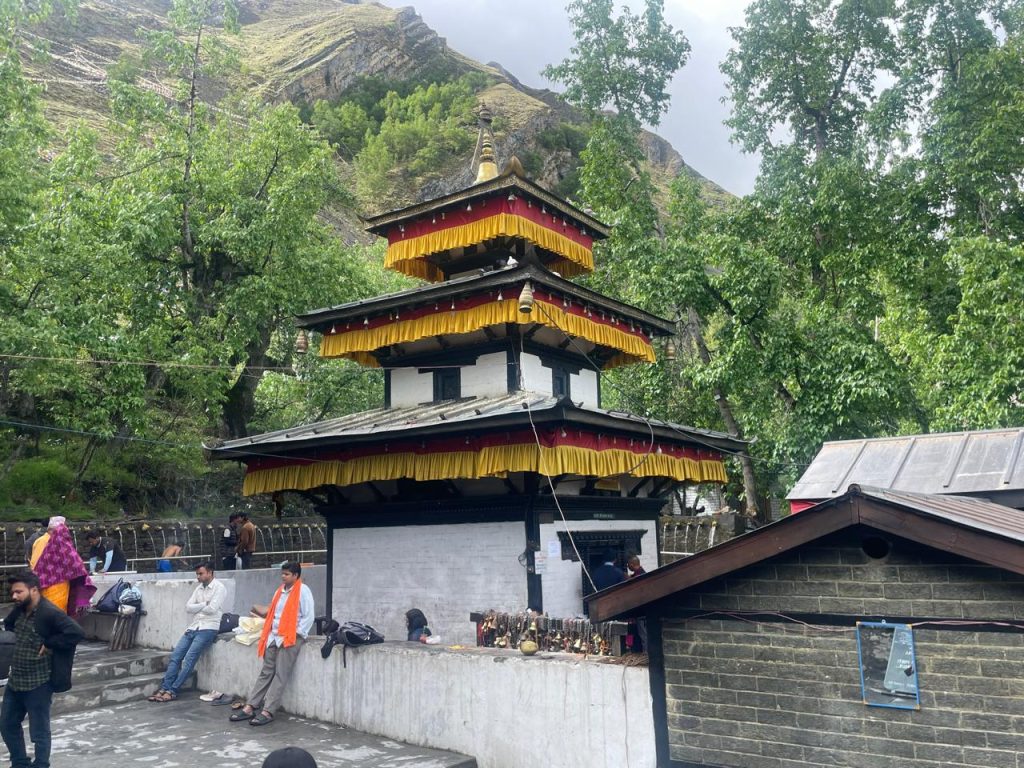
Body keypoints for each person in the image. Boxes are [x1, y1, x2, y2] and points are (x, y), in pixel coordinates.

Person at [0, 571, 84, 768]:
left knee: (39, 732)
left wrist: (50, 643)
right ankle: (20, 763)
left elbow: (76, 632)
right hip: (16, 681)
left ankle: (41, 765)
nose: (14, 596)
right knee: (8, 724)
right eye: (13, 592)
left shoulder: (49, 612)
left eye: (18, 592)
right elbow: (9, 626)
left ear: (34, 590)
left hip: (39, 682)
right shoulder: (19, 610)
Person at [230, 562, 314, 727]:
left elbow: (308, 616)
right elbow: (274, 613)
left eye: (287, 574)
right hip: (274, 636)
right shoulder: (280, 590)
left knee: (281, 674)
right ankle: (251, 706)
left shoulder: (303, 591)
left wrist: (296, 633)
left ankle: (268, 710)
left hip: (291, 638)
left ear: (296, 576)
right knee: (266, 672)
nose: (283, 576)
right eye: (282, 574)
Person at [148, 561, 225, 702]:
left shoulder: (220, 588)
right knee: (176, 657)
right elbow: (188, 607)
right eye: (197, 574)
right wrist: (204, 604)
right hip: (193, 627)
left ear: (210, 572)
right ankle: (164, 688)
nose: (198, 577)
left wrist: (200, 606)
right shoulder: (199, 589)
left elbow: (212, 609)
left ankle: (172, 690)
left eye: (201, 573)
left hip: (208, 628)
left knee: (189, 660)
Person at [31, 518, 94, 615]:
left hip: (57, 584)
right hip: (50, 585)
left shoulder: (57, 542)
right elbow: (35, 564)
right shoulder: (44, 541)